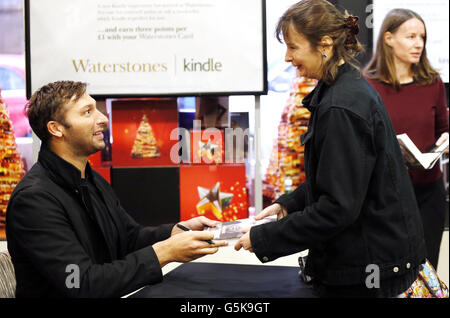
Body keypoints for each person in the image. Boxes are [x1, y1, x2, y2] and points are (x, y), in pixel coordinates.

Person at [235, 0, 427, 298]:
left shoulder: (341, 107)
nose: (287, 57)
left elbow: (337, 208)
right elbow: (339, 177)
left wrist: (262, 238)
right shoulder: (341, 89)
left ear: (324, 44)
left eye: (294, 47)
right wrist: (290, 203)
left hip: (366, 270)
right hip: (371, 260)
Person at [5, 81, 227, 298]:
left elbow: (128, 239)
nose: (103, 118)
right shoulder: (34, 200)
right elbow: (81, 283)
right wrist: (165, 252)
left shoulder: (89, 179)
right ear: (56, 129)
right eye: (87, 112)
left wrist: (175, 232)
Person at [364, 8, 449, 270]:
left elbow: (442, 130)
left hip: (428, 194)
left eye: (422, 37)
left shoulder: (432, 82)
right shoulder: (368, 86)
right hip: (385, 197)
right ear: (388, 38)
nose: (418, 44)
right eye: (411, 36)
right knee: (390, 271)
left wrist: (443, 143)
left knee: (426, 269)